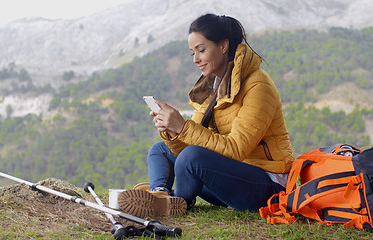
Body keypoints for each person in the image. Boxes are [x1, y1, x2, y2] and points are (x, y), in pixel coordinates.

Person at [117, 13, 294, 218]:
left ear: (223, 45)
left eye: (201, 50)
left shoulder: (257, 85)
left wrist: (183, 128)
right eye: (192, 52)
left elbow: (236, 149)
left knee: (192, 157)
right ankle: (161, 194)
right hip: (230, 177)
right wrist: (173, 131)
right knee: (161, 149)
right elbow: (192, 142)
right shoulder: (212, 87)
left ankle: (178, 202)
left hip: (266, 185)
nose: (195, 59)